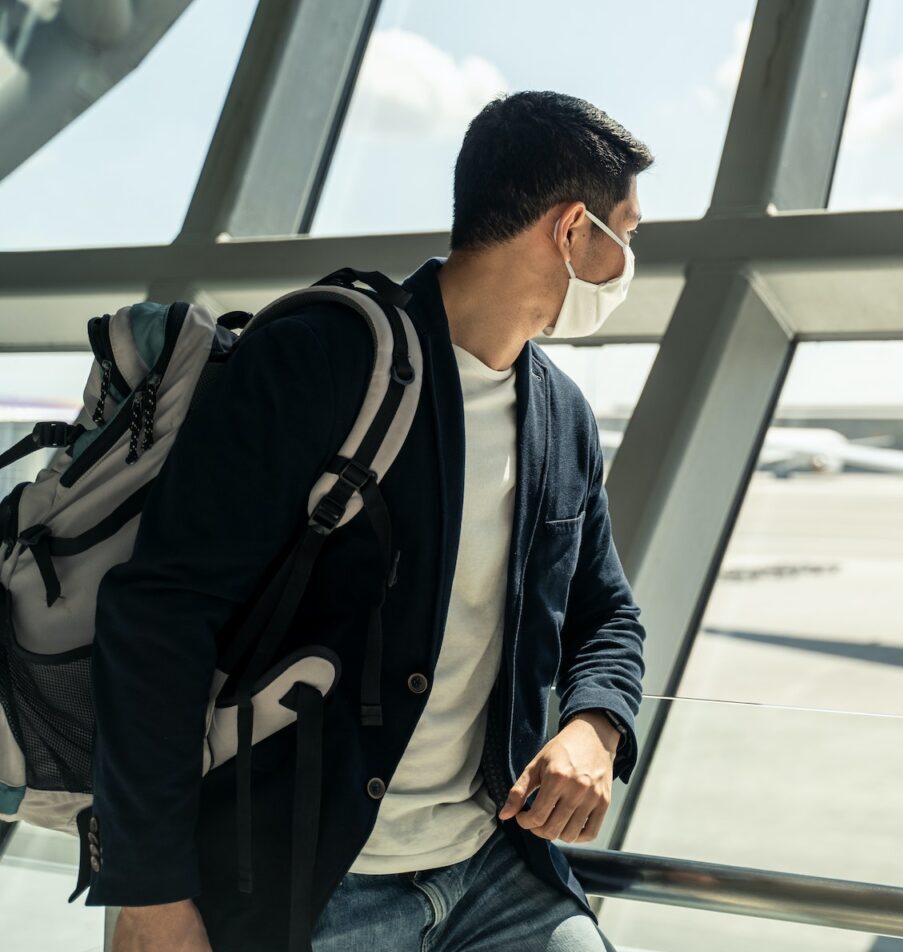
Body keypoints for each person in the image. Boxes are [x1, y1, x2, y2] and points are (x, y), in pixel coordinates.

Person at [87, 91, 651, 952]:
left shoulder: (561, 418)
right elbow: (160, 614)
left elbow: (606, 612)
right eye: (628, 235)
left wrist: (595, 724)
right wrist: (151, 891)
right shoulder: (324, 358)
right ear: (574, 230)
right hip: (307, 885)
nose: (628, 264)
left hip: (497, 870)